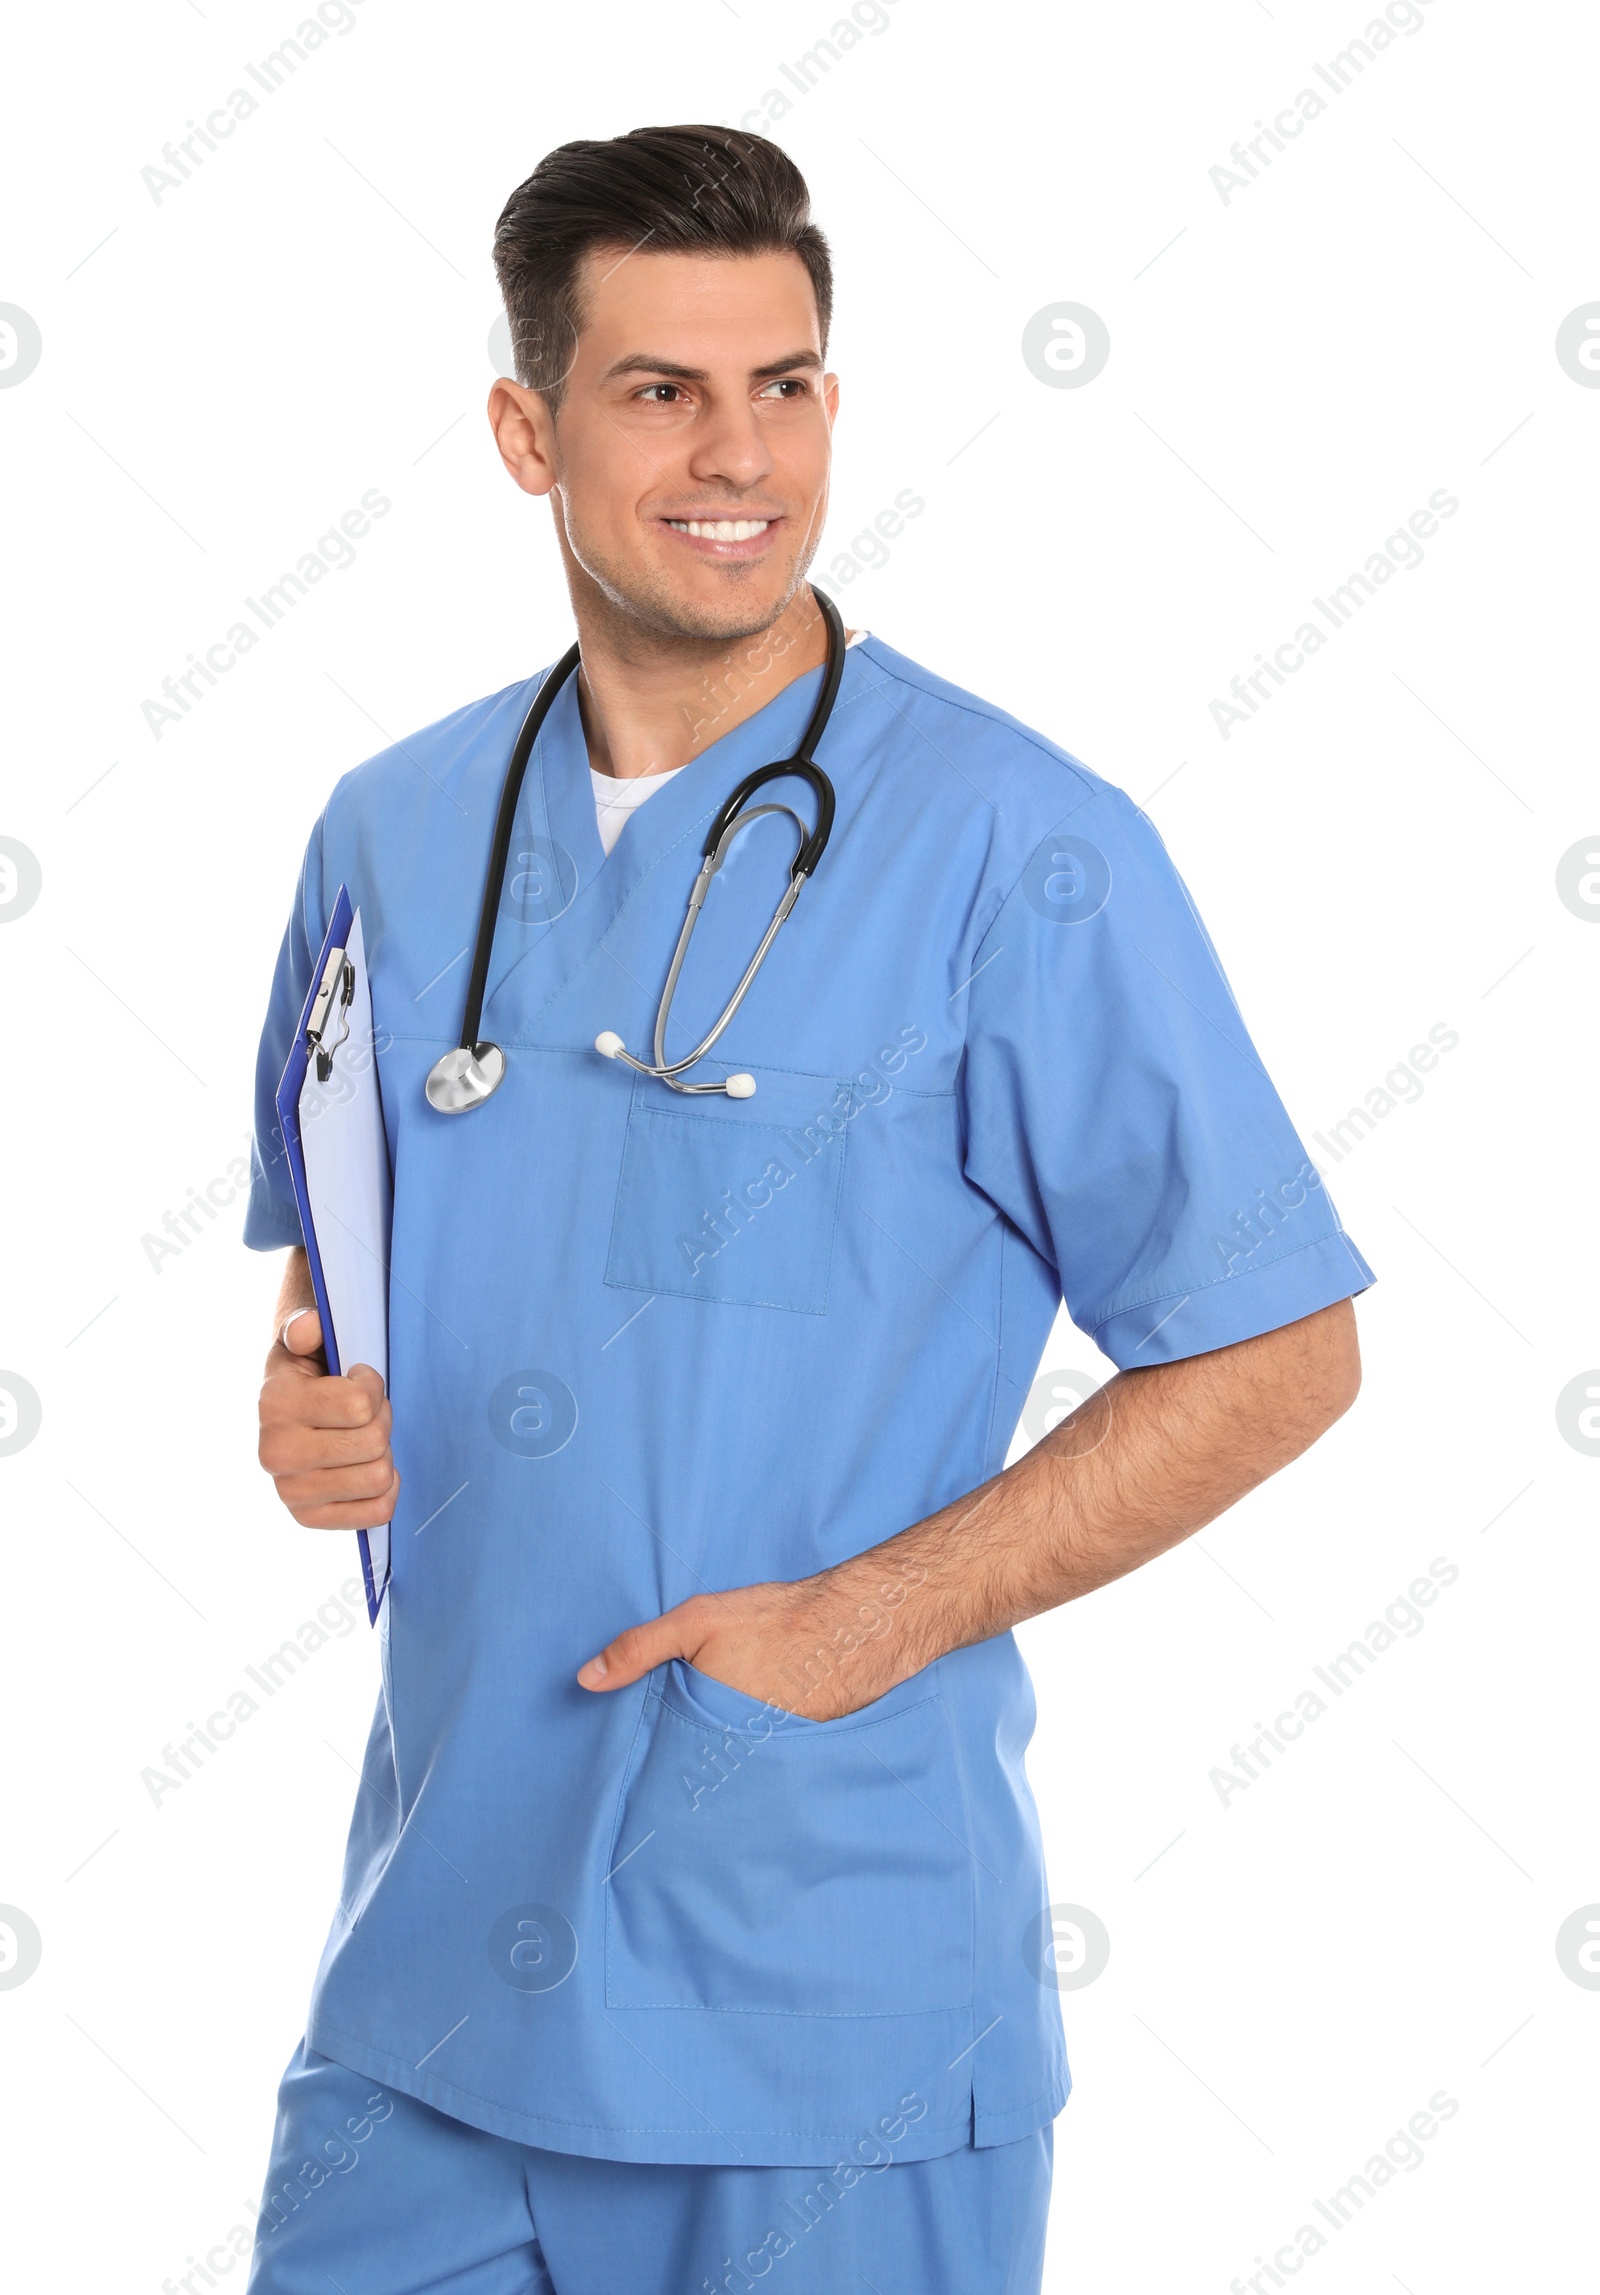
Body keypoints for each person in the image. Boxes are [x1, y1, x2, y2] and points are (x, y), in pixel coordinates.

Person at [243, 124, 1372, 2295]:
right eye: (659, 387)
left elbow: (1272, 1342)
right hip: (422, 2008)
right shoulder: (387, 832)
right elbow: (340, 1278)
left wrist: (861, 1620)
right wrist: (304, 1419)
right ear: (526, 426)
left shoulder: (1019, 848)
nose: (734, 448)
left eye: (783, 382)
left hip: (817, 2023)